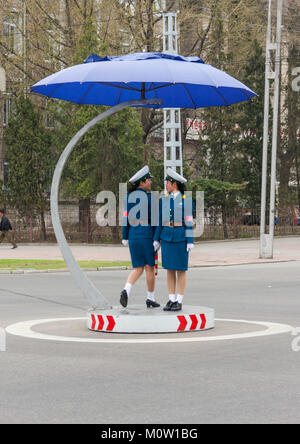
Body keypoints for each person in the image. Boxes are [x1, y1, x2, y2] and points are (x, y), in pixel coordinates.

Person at [153, 168, 194, 312]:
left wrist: (190, 240)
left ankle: (179, 300)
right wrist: (156, 239)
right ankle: (171, 299)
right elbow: (160, 221)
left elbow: (189, 220)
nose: (166, 186)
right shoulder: (164, 200)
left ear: (174, 184)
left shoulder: (186, 200)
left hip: (180, 236)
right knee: (169, 269)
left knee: (181, 270)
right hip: (166, 236)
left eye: (168, 183)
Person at [120, 166, 160, 309]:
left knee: (137, 268)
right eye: (148, 180)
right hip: (147, 236)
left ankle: (126, 290)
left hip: (133, 236)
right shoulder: (151, 198)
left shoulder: (127, 198)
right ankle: (150, 298)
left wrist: (125, 236)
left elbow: (125, 219)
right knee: (149, 267)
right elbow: (155, 220)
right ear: (141, 182)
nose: (150, 182)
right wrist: (156, 239)